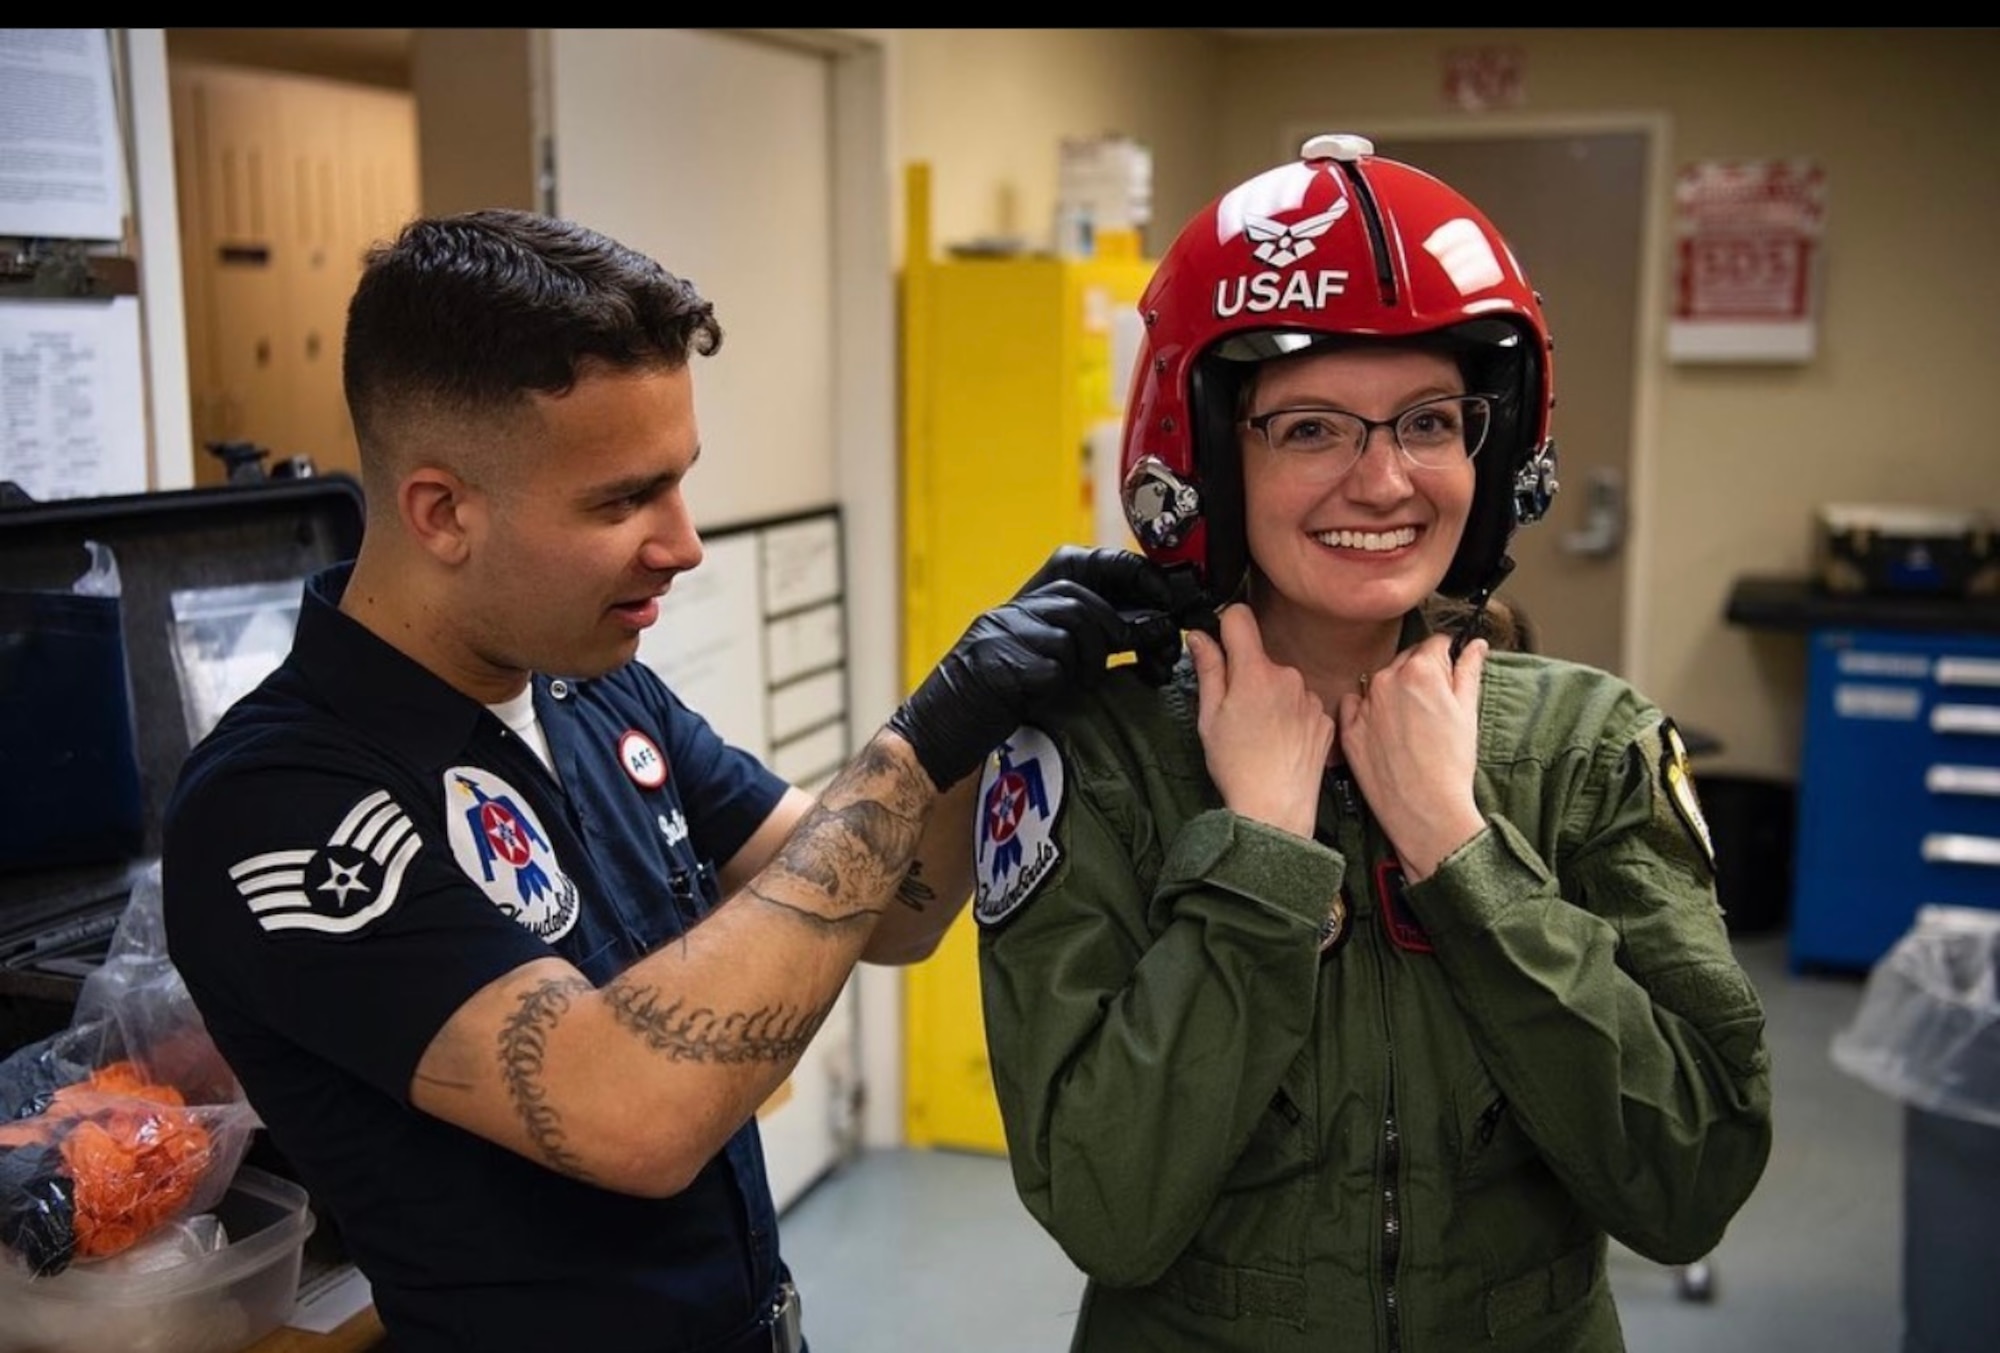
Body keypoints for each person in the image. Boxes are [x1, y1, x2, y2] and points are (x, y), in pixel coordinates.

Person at [159, 208, 1195, 1353]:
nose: (682, 544)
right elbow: (635, 1115)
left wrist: (984, 719)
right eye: (620, 501)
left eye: (678, 484)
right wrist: (911, 747)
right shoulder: (282, 803)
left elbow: (892, 917)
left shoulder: (589, 686)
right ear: (441, 512)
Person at [972, 134, 1773, 1352]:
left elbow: (1688, 1185)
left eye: (1427, 422)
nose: (1384, 481)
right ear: (1207, 457)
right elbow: (1105, 1209)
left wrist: (1463, 854)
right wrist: (1254, 865)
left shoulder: (1587, 745)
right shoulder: (1096, 754)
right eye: (1307, 430)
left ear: (1487, 451)